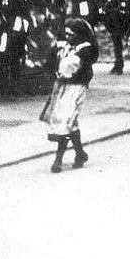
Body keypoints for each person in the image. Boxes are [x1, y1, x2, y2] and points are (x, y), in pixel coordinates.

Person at [39, 18, 97, 173]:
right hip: (61, 89)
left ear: (79, 35)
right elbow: (49, 64)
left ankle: (58, 159)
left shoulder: (85, 49)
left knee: (66, 121)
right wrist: (55, 74)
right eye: (67, 34)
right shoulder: (63, 47)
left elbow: (87, 73)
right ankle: (80, 154)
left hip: (77, 89)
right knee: (67, 122)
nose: (69, 37)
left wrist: (70, 78)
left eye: (72, 35)